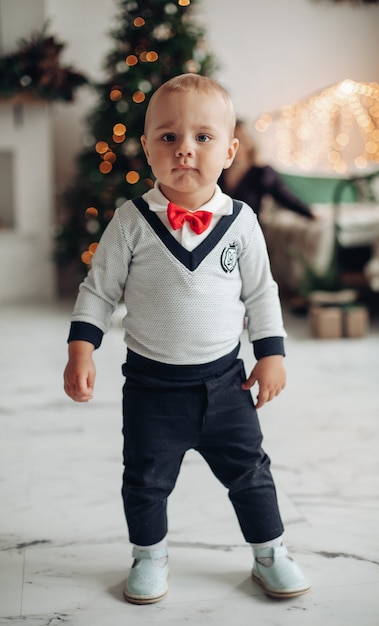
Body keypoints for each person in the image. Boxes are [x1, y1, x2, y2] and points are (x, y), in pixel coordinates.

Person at [63, 73, 311, 605]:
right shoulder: (130, 222)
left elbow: (261, 294)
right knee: (145, 480)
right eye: (168, 137)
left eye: (203, 137)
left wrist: (271, 355)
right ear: (147, 146)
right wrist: (81, 347)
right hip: (153, 388)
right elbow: (99, 291)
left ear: (229, 151)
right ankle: (149, 556)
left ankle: (270, 552)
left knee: (251, 473)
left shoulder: (242, 223)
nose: (184, 150)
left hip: (226, 384)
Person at [219, 119, 316, 220]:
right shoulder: (217, 172)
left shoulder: (262, 173)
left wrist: (311, 214)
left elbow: (286, 198)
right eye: (229, 140)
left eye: (240, 140)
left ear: (249, 143)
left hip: (247, 230)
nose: (232, 146)